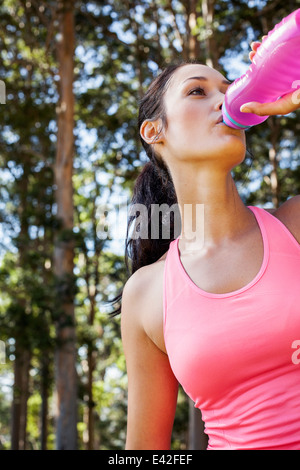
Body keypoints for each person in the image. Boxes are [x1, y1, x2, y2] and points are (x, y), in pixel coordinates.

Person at [120, 40, 300, 450]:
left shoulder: (296, 226)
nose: (226, 98)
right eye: (198, 91)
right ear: (155, 131)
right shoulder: (147, 293)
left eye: (230, 87)